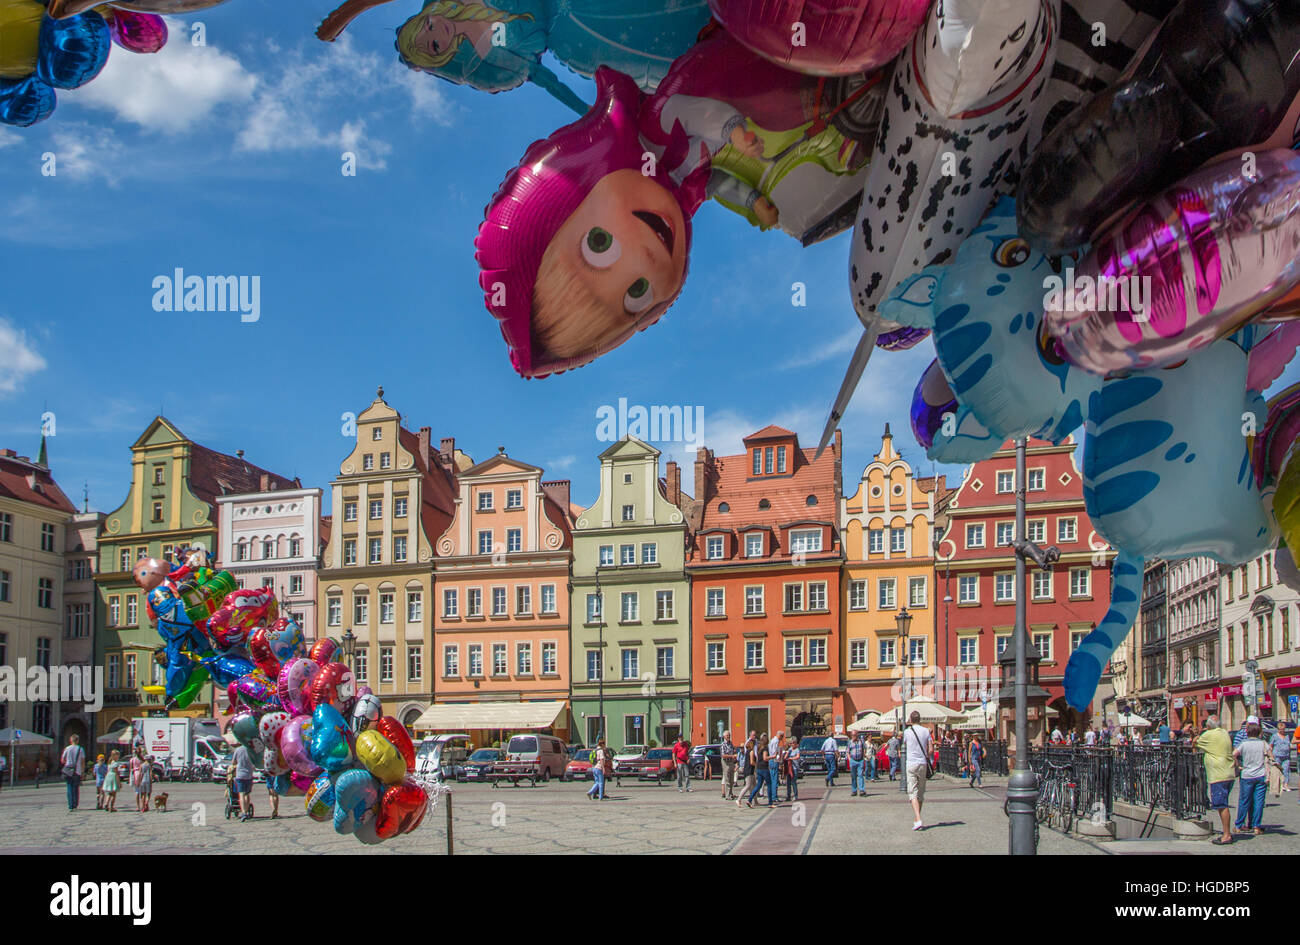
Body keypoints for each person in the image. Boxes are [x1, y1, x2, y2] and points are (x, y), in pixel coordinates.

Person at [1195, 716, 1235, 845]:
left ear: (1209, 726)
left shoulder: (1209, 734)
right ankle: (1226, 832)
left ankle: (1226, 835)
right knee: (1223, 804)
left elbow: (1195, 743)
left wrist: (1200, 733)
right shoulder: (1224, 732)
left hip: (1218, 775)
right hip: (1228, 772)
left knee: (1221, 806)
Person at [1233, 720, 1273, 836]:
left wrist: (1238, 766)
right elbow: (1271, 756)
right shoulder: (1263, 743)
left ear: (1248, 732)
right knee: (1259, 802)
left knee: (1244, 801)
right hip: (1260, 775)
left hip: (1247, 775)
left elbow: (1233, 754)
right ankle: (1256, 826)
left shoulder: (1244, 743)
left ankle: (1238, 825)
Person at [903, 711, 933, 830]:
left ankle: (918, 819)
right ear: (920, 719)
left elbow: (904, 742)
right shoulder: (926, 731)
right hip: (922, 763)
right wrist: (925, 754)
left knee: (912, 792)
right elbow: (931, 749)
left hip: (911, 763)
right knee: (920, 793)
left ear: (910, 720)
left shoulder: (907, 732)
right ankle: (917, 819)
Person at [746, 733, 773, 808]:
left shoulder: (758, 747)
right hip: (764, 768)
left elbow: (758, 758)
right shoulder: (765, 748)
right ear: (767, 741)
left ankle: (749, 799)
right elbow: (765, 758)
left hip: (758, 768)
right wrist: (773, 756)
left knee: (758, 785)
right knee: (769, 784)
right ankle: (770, 803)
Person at [60, 734, 85, 811]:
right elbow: (82, 761)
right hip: (77, 771)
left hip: (68, 771)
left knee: (69, 787)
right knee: (76, 788)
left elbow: (62, 760)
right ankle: (75, 804)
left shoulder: (67, 748)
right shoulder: (80, 749)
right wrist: (82, 771)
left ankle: (70, 805)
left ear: (71, 740)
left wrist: (67, 764)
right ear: (77, 740)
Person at [231, 742, 254, 822]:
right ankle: (247, 811)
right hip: (249, 774)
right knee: (247, 794)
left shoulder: (238, 750)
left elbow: (233, 762)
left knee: (241, 794)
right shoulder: (251, 750)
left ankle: (243, 812)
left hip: (240, 774)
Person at [1269, 725, 1291, 794]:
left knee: (1286, 770)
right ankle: (1277, 786)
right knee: (1277, 771)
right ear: (1278, 729)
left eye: (1283, 729)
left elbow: (1289, 744)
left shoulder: (1287, 736)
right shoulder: (1274, 736)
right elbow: (1271, 746)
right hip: (1277, 756)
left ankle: (1285, 784)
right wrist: (1271, 755)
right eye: (1280, 729)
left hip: (1286, 756)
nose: (1282, 730)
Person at [737, 736, 756, 807]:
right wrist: (756, 765)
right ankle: (739, 799)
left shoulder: (747, 751)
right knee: (748, 786)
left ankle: (755, 801)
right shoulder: (751, 752)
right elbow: (751, 762)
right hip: (749, 770)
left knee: (754, 786)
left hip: (749, 770)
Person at [847, 732, 867, 797]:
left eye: (854, 735)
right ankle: (854, 790)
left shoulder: (861, 741)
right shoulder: (850, 742)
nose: (853, 736)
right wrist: (849, 759)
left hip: (860, 760)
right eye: (852, 735)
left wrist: (864, 755)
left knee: (860, 775)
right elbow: (847, 752)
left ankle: (861, 790)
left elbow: (865, 748)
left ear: (857, 735)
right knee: (853, 776)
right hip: (853, 761)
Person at [720, 733, 738, 800]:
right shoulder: (723, 744)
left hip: (731, 762)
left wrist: (734, 753)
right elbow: (723, 755)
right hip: (726, 762)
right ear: (724, 736)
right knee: (727, 778)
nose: (728, 737)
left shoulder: (731, 743)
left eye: (729, 735)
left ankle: (730, 793)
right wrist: (731, 756)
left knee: (731, 778)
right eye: (727, 735)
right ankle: (727, 795)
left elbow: (733, 751)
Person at [783, 735, 800, 802]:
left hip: (794, 768)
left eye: (793, 743)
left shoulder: (797, 750)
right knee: (788, 782)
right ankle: (788, 796)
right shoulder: (790, 749)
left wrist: (792, 758)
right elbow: (786, 757)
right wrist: (786, 754)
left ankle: (796, 796)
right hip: (789, 768)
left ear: (796, 743)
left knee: (793, 782)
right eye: (791, 743)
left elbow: (798, 757)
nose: (792, 744)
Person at [768, 731, 783, 801]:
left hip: (771, 760)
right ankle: (774, 797)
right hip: (774, 760)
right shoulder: (776, 741)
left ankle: (773, 796)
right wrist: (778, 758)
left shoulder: (772, 740)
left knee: (772, 779)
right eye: (782, 737)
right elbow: (774, 752)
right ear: (780, 736)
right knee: (775, 779)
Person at [265, 753, 281, 819]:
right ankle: (275, 810)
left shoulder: (266, 753)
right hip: (275, 772)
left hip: (268, 772)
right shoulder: (276, 752)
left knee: (271, 793)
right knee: (275, 793)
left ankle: (273, 809)